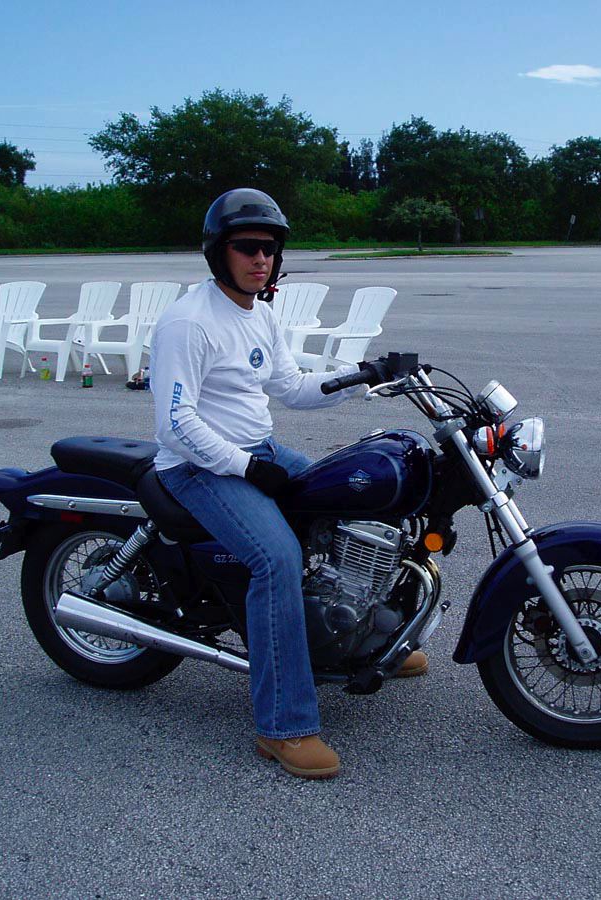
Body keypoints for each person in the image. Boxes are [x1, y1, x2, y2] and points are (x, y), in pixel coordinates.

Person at [149, 188, 425, 780]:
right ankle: (284, 727)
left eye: (269, 249)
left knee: (352, 502)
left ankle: (366, 638)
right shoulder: (188, 323)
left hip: (259, 449)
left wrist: (364, 374)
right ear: (218, 252)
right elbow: (175, 424)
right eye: (247, 247)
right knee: (276, 559)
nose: (260, 258)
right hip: (198, 466)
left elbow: (293, 388)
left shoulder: (260, 313)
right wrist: (246, 468)